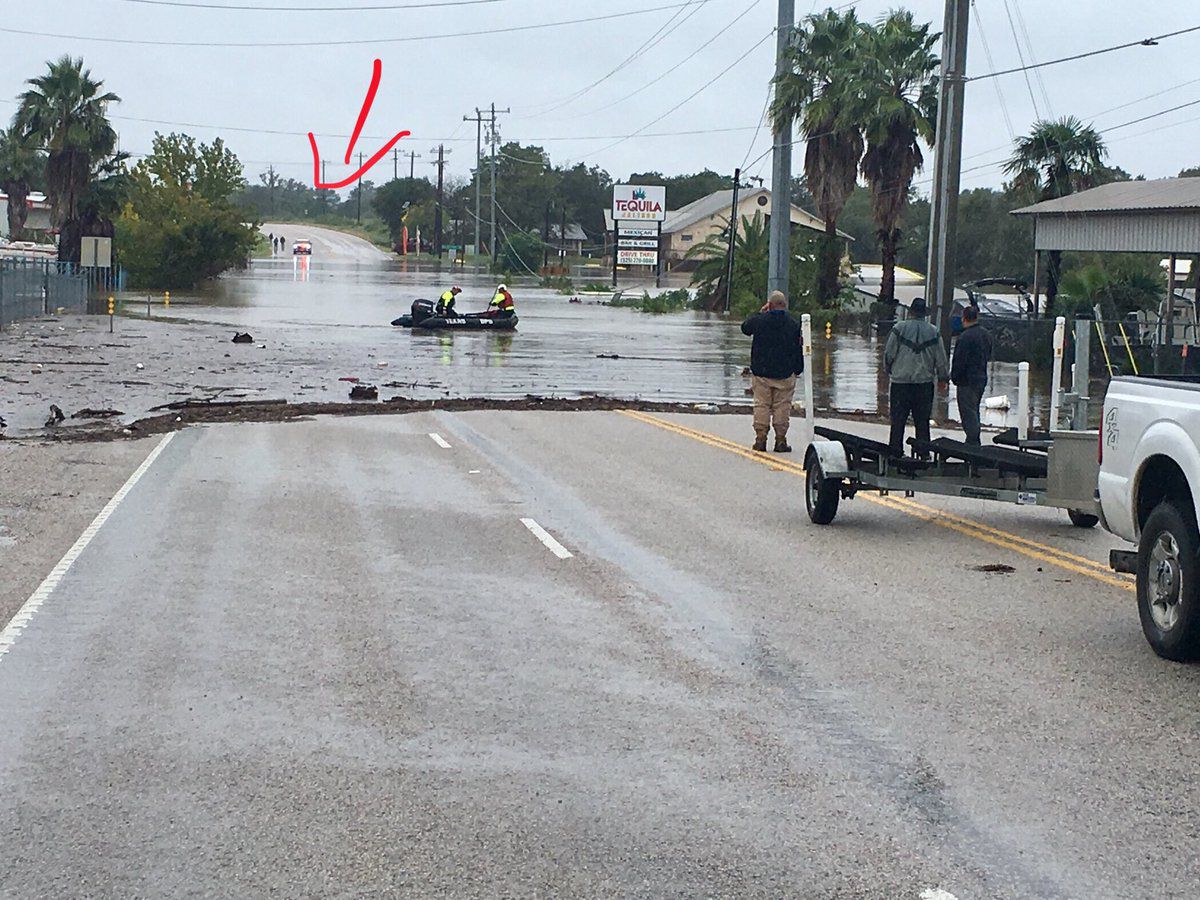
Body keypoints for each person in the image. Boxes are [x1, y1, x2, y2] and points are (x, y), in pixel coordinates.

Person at [884, 297, 949, 459]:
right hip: (924, 384)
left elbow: (889, 353)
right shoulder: (934, 332)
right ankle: (923, 453)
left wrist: (889, 370)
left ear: (910, 312)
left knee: (898, 422)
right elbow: (941, 359)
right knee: (922, 422)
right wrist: (943, 378)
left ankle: (895, 453)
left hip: (900, 384)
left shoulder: (899, 329)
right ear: (924, 314)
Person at [740, 290, 804, 453]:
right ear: (785, 305)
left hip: (761, 372)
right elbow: (799, 347)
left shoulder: (760, 321)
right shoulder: (793, 324)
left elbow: (745, 328)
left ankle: (760, 439)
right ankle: (780, 440)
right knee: (782, 406)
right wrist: (798, 369)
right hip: (785, 372)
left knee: (762, 405)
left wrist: (759, 313)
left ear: (769, 305)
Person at [950, 304, 993, 445]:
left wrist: (955, 377)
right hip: (981, 378)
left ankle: (973, 442)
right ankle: (974, 440)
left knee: (968, 413)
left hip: (966, 381)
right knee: (975, 410)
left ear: (964, 318)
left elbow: (959, 360)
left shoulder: (965, 337)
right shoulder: (986, 334)